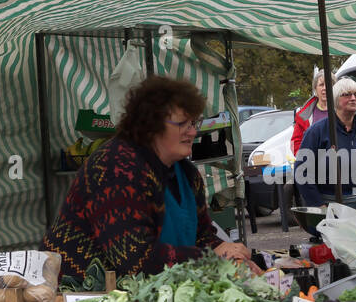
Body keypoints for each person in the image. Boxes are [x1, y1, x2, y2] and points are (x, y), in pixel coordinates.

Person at [43, 76, 256, 279]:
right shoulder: (114, 168)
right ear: (151, 125)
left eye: (194, 123)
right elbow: (135, 259)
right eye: (183, 123)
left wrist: (230, 254)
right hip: (79, 294)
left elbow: (202, 236)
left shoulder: (187, 175)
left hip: (152, 293)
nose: (192, 132)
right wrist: (213, 257)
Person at [294, 77, 356, 212]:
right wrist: (318, 205)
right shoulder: (317, 131)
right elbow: (302, 172)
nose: (353, 98)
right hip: (329, 207)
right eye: (347, 94)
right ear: (335, 99)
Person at [290, 68, 330, 156]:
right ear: (315, 89)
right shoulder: (305, 115)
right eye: (321, 85)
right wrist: (304, 159)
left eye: (328, 84)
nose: (325, 88)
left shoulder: (343, 109)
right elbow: (295, 142)